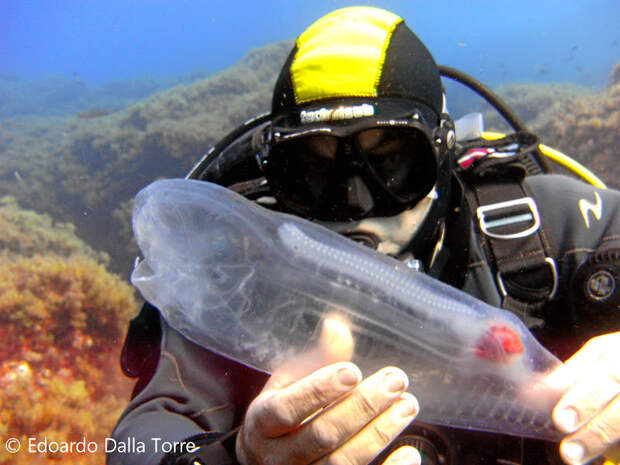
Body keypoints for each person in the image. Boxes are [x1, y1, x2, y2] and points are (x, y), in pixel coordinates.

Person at [108, 7, 620, 465]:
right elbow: (141, 439)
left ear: (442, 155)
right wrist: (239, 457)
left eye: (393, 161)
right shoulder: (238, 273)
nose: (354, 199)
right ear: (278, 176)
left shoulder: (546, 226)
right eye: (313, 167)